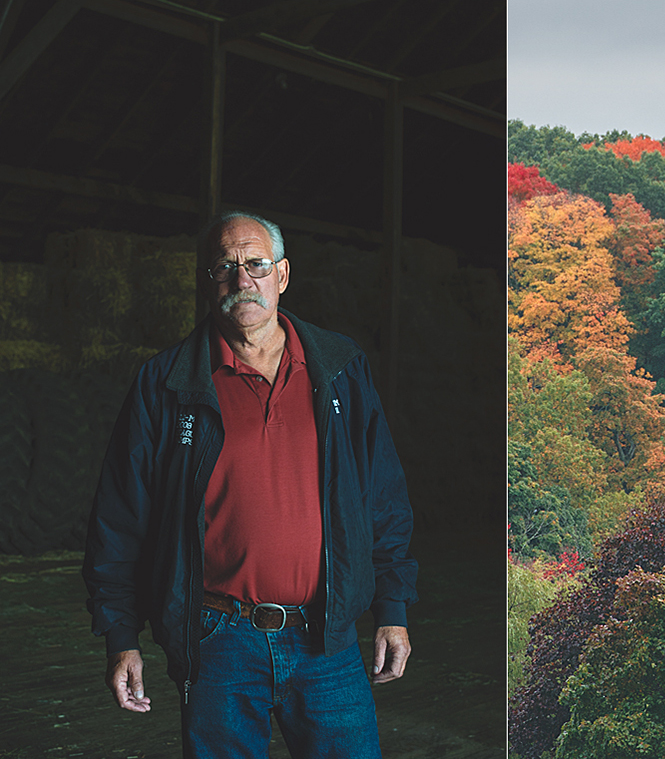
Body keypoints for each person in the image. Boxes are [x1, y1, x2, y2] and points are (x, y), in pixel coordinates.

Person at [82, 211, 419, 758]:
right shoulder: (165, 384)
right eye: (225, 267)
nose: (243, 280)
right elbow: (119, 521)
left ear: (282, 275)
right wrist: (121, 639)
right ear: (208, 280)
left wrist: (394, 611)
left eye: (256, 264)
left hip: (326, 639)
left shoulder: (340, 369)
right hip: (218, 642)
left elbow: (384, 499)